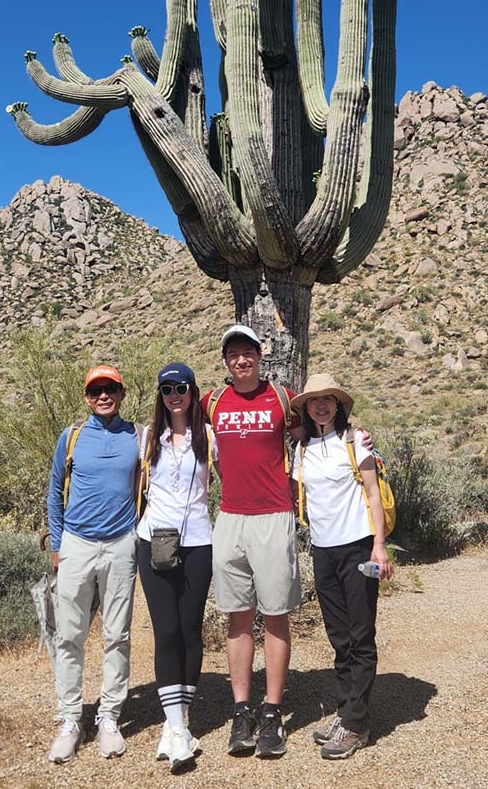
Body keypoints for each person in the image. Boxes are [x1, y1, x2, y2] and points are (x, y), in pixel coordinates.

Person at [200, 324, 302, 760]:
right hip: (231, 518)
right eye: (233, 354)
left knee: (276, 615)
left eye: (247, 353)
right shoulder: (212, 402)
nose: (240, 360)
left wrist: (357, 437)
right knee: (237, 616)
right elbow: (174, 425)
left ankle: (273, 711)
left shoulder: (281, 398)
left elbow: (314, 428)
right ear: (225, 361)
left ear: (260, 356)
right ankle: (242, 709)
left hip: (274, 516)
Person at [291, 373, 394, 761]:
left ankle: (356, 723)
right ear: (305, 408)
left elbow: (372, 494)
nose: (321, 405)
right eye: (314, 400)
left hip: (358, 549)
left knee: (361, 635)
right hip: (323, 551)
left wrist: (379, 547)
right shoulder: (302, 449)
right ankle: (347, 711)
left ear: (338, 404)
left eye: (328, 399)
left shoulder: (354, 442)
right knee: (339, 637)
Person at [47, 365, 139, 763]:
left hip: (121, 544)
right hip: (77, 545)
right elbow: (54, 491)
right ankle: (70, 717)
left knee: (117, 634)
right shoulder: (72, 437)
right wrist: (57, 544)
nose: (103, 396)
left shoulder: (137, 436)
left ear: (121, 393)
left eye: (110, 389)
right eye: (96, 390)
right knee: (69, 635)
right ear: (86, 396)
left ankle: (109, 716)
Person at [137, 362, 215, 773]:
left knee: (190, 631)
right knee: (166, 630)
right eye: (166, 388)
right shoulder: (148, 437)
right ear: (160, 395)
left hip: (199, 542)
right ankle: (177, 727)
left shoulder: (209, 437)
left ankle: (177, 724)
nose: (174, 394)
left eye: (181, 386)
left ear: (192, 390)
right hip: (154, 541)